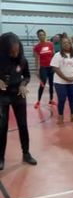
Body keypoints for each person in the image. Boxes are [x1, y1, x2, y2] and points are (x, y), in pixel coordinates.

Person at [0, 33, 37, 171]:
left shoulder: (22, 60)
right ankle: (1, 157)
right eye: (12, 51)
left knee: (23, 125)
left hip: (18, 93)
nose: (15, 53)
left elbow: (27, 75)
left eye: (17, 50)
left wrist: (23, 84)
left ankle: (26, 153)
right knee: (2, 127)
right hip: (2, 95)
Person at [50, 37, 73, 125]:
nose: (66, 44)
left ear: (71, 44)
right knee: (61, 99)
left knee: (72, 100)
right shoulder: (57, 55)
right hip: (60, 82)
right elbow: (55, 68)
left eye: (68, 43)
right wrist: (65, 78)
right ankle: (60, 117)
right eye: (64, 43)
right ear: (61, 45)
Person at [33, 29, 55, 109]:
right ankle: (38, 101)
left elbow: (53, 55)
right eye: (40, 35)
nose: (42, 36)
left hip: (51, 67)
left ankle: (51, 100)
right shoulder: (36, 47)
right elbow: (36, 59)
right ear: (38, 36)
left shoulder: (50, 44)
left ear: (45, 35)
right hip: (43, 68)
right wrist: (37, 69)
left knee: (52, 84)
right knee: (43, 83)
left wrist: (54, 66)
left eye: (43, 34)